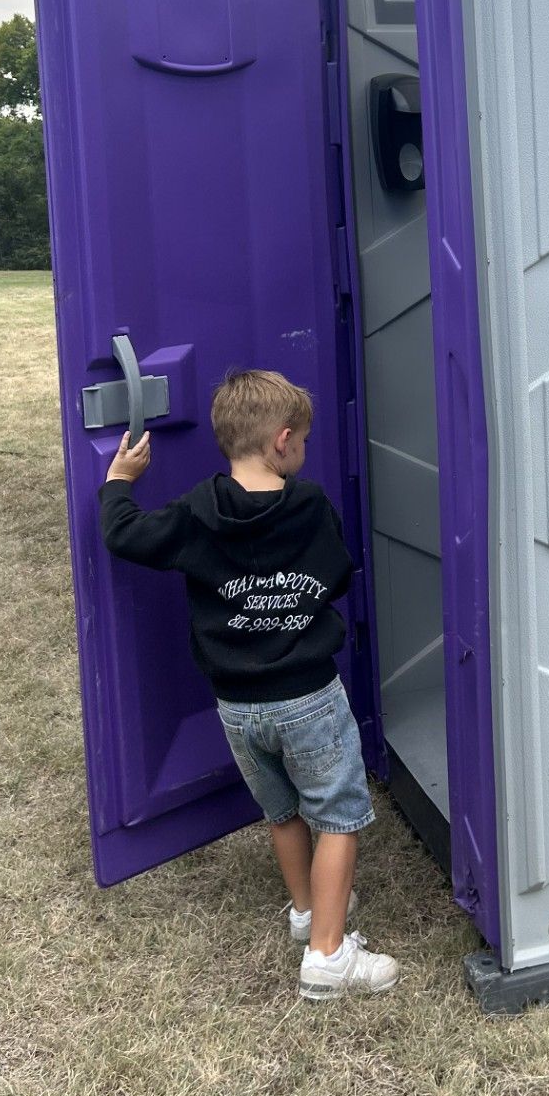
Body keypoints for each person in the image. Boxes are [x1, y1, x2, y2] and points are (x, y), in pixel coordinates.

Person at [98, 368, 399, 1001]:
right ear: (283, 441)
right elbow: (339, 575)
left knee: (282, 810)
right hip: (310, 698)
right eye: (306, 440)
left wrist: (120, 484)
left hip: (238, 708)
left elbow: (125, 535)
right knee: (339, 817)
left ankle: (304, 914)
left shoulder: (194, 513)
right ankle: (328, 957)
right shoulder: (310, 505)